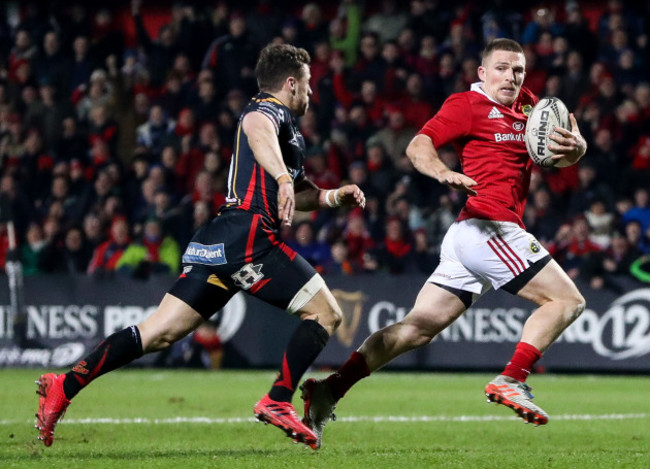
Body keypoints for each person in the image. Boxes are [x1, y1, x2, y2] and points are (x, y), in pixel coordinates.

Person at [35, 43, 366, 449]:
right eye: (309, 84)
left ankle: (63, 384)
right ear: (291, 83)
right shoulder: (267, 110)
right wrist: (281, 178)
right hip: (249, 237)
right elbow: (256, 130)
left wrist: (333, 197)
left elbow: (300, 191)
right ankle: (278, 399)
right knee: (326, 314)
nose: (312, 93)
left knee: (157, 332)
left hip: (220, 239)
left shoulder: (288, 130)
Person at [299, 38, 587, 448]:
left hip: (470, 237)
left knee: (416, 330)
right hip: (490, 227)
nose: (511, 77)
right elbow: (419, 146)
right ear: (482, 73)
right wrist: (442, 172)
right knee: (567, 301)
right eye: (502, 69)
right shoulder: (465, 105)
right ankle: (512, 378)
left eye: (518, 70)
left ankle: (330, 389)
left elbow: (561, 152)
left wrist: (578, 149)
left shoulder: (531, 106)